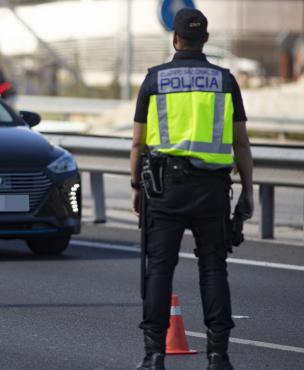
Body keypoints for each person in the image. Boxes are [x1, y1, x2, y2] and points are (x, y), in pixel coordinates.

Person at [130, 8, 254, 370]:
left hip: (165, 189)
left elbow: (137, 143)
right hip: (213, 190)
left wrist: (137, 185)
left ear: (175, 38)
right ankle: (218, 355)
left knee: (160, 270)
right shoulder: (225, 80)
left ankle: (154, 355)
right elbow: (242, 144)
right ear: (206, 40)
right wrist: (248, 190)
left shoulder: (154, 80)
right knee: (214, 269)